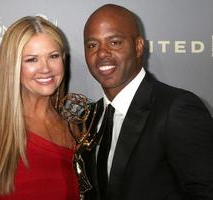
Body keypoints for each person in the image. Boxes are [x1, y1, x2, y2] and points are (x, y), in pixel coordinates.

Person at [82, 4, 213, 200]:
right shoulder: (91, 116)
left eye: (115, 42)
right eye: (92, 45)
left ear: (138, 47)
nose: (102, 53)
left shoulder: (176, 108)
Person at [0, 16, 79, 200]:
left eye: (54, 56)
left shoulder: (74, 128)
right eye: (32, 60)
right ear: (12, 66)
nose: (46, 68)